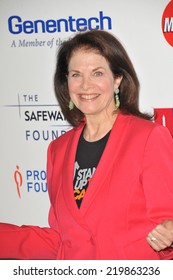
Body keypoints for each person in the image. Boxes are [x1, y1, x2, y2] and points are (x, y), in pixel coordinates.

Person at [1, 30, 173, 260]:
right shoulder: (57, 150)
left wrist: (169, 233)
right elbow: (63, 240)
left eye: (97, 73)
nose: (85, 85)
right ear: (66, 81)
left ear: (118, 79)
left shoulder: (148, 137)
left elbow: (166, 226)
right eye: (76, 74)